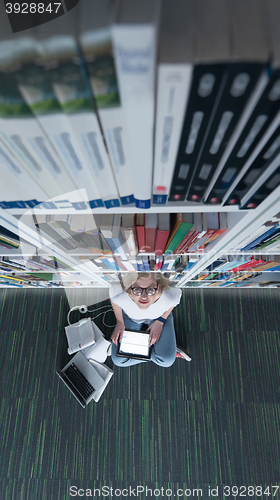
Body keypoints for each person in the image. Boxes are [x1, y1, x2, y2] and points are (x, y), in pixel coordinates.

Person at [109, 272, 191, 367]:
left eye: (150, 290)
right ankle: (160, 353)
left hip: (159, 317)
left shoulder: (169, 296)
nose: (144, 297)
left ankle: (143, 351)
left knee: (167, 361)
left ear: (158, 286)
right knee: (118, 360)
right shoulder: (120, 294)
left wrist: (161, 320)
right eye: (137, 289)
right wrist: (120, 322)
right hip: (131, 317)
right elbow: (113, 298)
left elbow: (175, 300)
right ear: (130, 287)